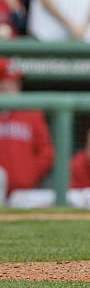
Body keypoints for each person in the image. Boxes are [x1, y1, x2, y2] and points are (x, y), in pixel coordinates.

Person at [0, 59, 53, 205]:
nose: (14, 87)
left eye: (16, 82)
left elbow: (46, 152)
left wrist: (29, 174)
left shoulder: (31, 112)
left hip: (24, 193)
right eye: (8, 82)